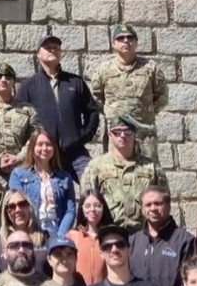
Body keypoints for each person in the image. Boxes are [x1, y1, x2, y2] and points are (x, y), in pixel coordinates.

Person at [16, 34, 100, 180]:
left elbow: (92, 111)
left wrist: (84, 136)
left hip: (75, 152)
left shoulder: (75, 82)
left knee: (93, 184)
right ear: (38, 54)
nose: (52, 50)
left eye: (56, 47)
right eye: (48, 47)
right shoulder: (28, 86)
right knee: (48, 196)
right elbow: (19, 120)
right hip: (43, 155)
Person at [89, 24, 168, 162]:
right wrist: (115, 113)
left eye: (130, 38)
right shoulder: (103, 70)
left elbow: (162, 97)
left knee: (148, 174)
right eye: (120, 38)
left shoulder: (150, 68)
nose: (126, 41)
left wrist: (143, 113)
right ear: (113, 44)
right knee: (115, 173)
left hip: (144, 133)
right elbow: (96, 99)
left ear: (136, 43)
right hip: (116, 132)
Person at [81, 114, 163, 232]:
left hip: (143, 235)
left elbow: (163, 200)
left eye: (127, 132)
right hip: (108, 233)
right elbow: (87, 201)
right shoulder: (96, 167)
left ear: (135, 135)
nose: (122, 136)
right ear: (109, 135)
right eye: (117, 132)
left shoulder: (150, 167)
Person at [129, 185, 196, 286]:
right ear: (142, 210)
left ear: (168, 206)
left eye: (158, 203)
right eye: (148, 205)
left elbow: (191, 280)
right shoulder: (133, 241)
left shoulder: (185, 241)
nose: (153, 208)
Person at [8, 128, 77, 238]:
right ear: (32, 148)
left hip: (56, 232)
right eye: (40, 144)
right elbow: (17, 208)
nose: (44, 148)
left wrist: (60, 235)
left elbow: (70, 211)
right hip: (30, 232)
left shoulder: (65, 178)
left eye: (48, 144)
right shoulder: (18, 175)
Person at [0, 190, 51, 276]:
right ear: (6, 212)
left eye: (22, 204)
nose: (18, 210)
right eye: (11, 207)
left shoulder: (46, 238)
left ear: (29, 207)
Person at [66, 189, 114, 286]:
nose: (92, 210)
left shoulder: (111, 236)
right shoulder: (72, 236)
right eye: (87, 206)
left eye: (97, 206)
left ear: (103, 208)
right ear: (82, 210)